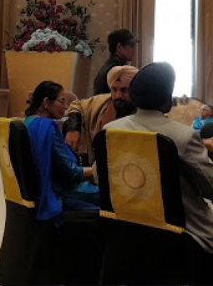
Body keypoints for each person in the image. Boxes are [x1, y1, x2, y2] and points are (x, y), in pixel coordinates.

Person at [106, 62, 213, 259]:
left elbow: (101, 178)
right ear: (167, 99)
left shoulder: (110, 131)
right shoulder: (183, 136)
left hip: (126, 231)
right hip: (183, 236)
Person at [25, 81, 100, 218]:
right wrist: (97, 170)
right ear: (46, 103)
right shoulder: (47, 128)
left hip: (37, 190)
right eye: (61, 101)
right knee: (112, 195)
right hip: (58, 192)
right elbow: (70, 172)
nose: (65, 107)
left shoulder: (28, 123)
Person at [64, 65, 138, 157]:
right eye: (114, 89)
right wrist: (73, 129)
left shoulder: (144, 108)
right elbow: (77, 105)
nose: (118, 95)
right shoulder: (102, 102)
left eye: (124, 90)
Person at [93, 29, 138, 95]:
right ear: (119, 47)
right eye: (131, 46)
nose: (134, 50)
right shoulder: (120, 70)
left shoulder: (108, 66)